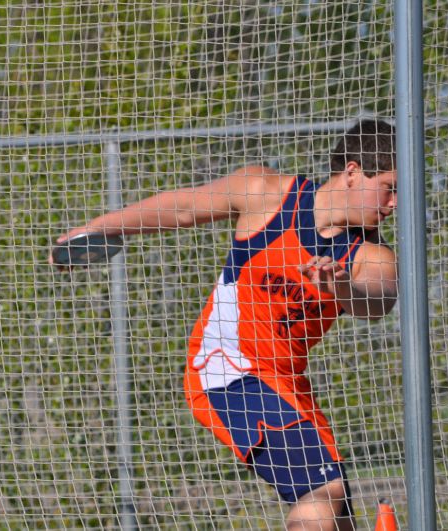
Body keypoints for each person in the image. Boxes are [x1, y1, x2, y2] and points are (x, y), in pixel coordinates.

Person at [50, 120, 398, 530]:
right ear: (353, 171)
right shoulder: (266, 193)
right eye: (390, 187)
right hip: (227, 369)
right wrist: (97, 230)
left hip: (284, 384)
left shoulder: (368, 255)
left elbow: (379, 301)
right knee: (323, 493)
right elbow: (182, 208)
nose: (395, 204)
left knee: (338, 516)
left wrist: (342, 290)